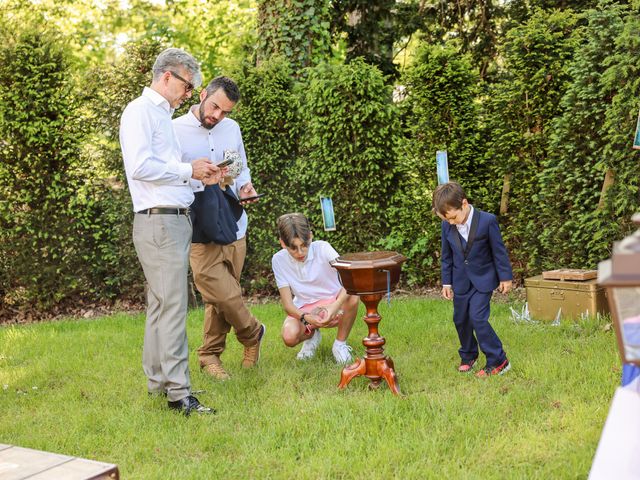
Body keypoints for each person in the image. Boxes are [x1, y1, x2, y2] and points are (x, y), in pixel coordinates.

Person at [120, 48, 222, 415]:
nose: (189, 92)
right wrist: (186, 170)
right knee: (175, 306)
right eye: (187, 84)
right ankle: (180, 394)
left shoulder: (162, 116)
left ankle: (158, 381)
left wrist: (200, 177)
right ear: (167, 77)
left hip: (172, 216)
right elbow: (141, 167)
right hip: (159, 220)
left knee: (161, 305)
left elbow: (170, 173)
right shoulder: (140, 111)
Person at [173, 76, 265, 381]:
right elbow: (167, 177)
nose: (217, 116)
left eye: (225, 112)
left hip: (234, 222)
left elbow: (239, 169)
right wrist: (197, 175)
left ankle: (210, 355)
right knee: (221, 292)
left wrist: (245, 186)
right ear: (202, 95)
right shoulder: (174, 131)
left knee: (221, 297)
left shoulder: (231, 128)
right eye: (214, 107)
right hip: (199, 227)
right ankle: (252, 333)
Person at [432, 181, 513, 377]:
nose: (451, 223)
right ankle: (468, 354)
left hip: (483, 279)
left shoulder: (487, 221)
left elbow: (499, 252)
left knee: (477, 317)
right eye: (447, 220)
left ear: (464, 203)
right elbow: (447, 256)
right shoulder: (447, 225)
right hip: (460, 281)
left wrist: (506, 277)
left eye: (453, 217)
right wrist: (446, 282)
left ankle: (498, 360)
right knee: (460, 319)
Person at [271, 213, 358, 364]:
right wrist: (306, 318)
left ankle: (340, 345)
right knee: (289, 336)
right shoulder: (278, 260)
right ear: (283, 243)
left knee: (352, 295)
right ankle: (312, 336)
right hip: (305, 308)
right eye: (293, 248)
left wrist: (334, 306)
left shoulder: (323, 248)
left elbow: (351, 280)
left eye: (304, 245)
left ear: (310, 236)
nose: (300, 253)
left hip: (335, 303)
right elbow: (288, 305)